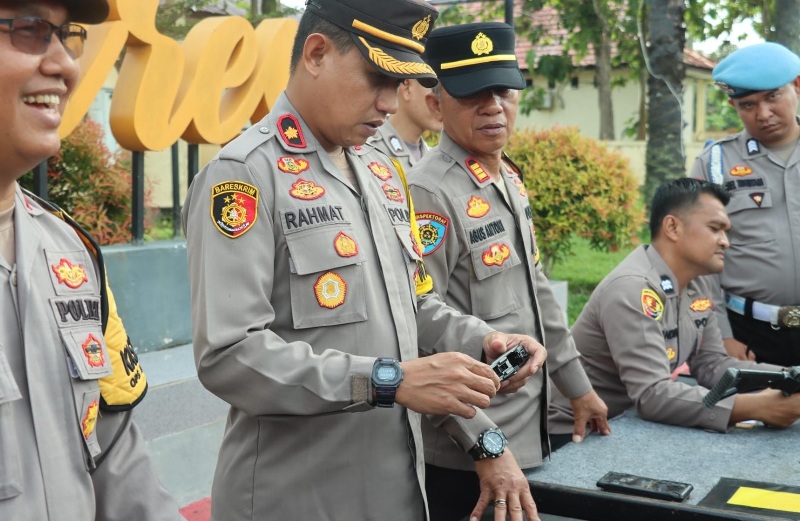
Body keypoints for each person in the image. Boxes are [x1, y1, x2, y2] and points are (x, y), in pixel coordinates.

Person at [181, 2, 547, 520]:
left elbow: (412, 304)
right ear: (316, 53)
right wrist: (387, 380)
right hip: (296, 498)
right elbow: (229, 355)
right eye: (377, 76)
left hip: (397, 488)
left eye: (399, 83)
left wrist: (479, 339)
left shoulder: (381, 170)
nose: (388, 101)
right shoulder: (242, 176)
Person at [408, 22, 610, 521]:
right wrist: (486, 447)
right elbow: (415, 324)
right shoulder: (429, 192)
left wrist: (577, 386)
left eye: (503, 89)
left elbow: (535, 290)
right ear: (436, 106)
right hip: (468, 454)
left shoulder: (506, 178)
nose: (494, 105)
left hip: (528, 435)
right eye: (473, 94)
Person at [0, 0, 182, 519]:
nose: (64, 65)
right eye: (31, 29)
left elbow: (116, 461)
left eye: (65, 34)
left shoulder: (69, 253)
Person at [548, 178, 800, 442]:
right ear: (673, 227)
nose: (725, 242)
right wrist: (758, 407)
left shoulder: (698, 281)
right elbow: (652, 395)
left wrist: (788, 376)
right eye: (715, 229)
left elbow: (712, 364)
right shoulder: (633, 288)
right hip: (574, 433)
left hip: (626, 424)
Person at [691, 42, 800, 366]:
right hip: (749, 336)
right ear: (733, 105)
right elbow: (699, 260)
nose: (763, 114)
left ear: (796, 86)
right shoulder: (715, 164)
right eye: (748, 104)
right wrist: (721, 335)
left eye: (772, 97)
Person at [368, 78, 442, 172]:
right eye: (436, 89)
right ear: (407, 88)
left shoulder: (433, 157)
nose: (441, 102)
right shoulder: (368, 147)